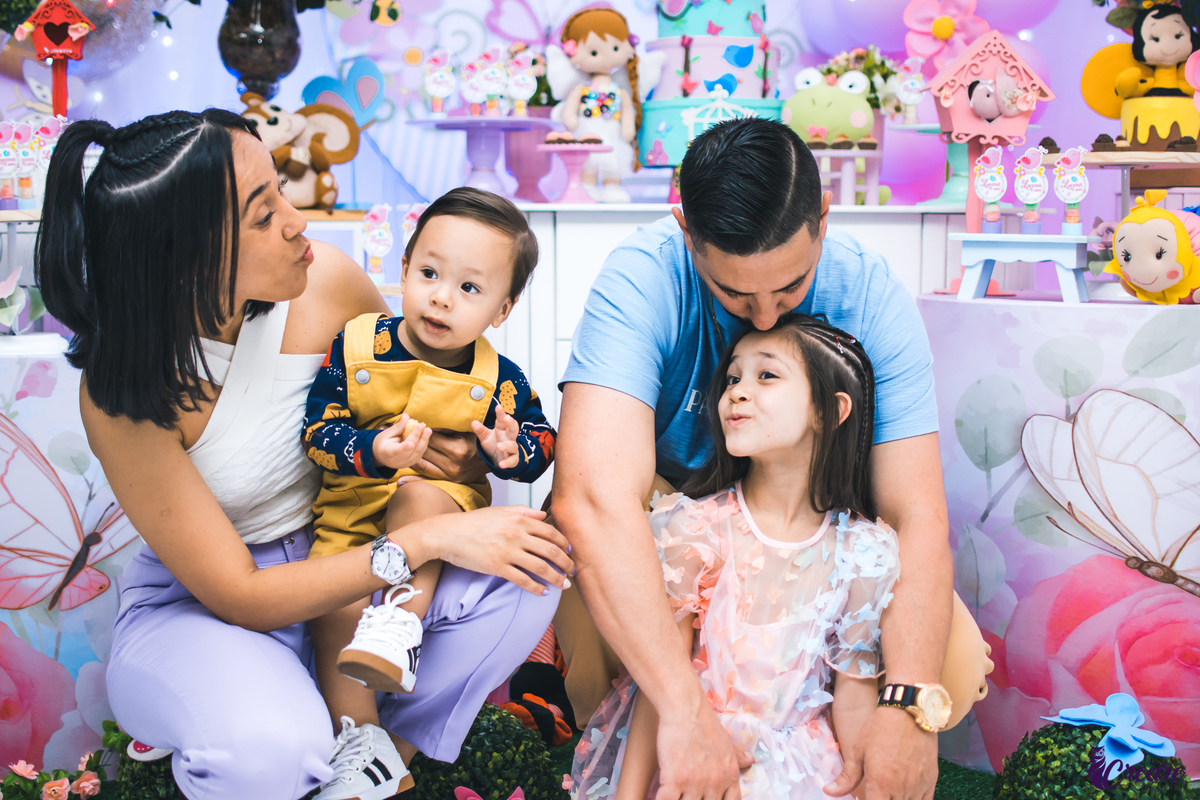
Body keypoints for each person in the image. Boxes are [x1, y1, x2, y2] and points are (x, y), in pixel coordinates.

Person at [34, 110, 572, 800]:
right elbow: (242, 595)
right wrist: (429, 538)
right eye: (263, 216)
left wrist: (472, 460)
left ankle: (371, 750)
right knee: (268, 756)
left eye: (282, 189)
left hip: (347, 555)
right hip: (213, 607)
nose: (297, 223)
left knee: (530, 569)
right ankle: (257, 720)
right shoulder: (125, 393)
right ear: (187, 256)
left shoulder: (329, 282)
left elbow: (409, 407)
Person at [552, 117, 989, 800]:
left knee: (950, 667)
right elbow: (592, 498)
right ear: (686, 232)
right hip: (677, 530)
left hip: (810, 544)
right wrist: (684, 709)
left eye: (789, 290)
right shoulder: (642, 278)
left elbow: (914, 512)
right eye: (734, 294)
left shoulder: (871, 293)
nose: (762, 321)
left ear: (821, 218)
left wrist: (907, 702)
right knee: (605, 648)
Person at [570, 315, 903, 800]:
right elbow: (659, 685)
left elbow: (853, 697)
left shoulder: (862, 552)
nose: (738, 392)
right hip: (701, 754)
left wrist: (865, 782)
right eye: (732, 378)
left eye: (766, 375)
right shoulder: (695, 530)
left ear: (830, 412)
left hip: (803, 769)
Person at [301, 188, 557, 798]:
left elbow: (544, 441)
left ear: (502, 309)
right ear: (404, 270)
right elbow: (316, 430)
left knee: (420, 495)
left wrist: (507, 452)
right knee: (336, 601)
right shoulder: (357, 344)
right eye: (430, 273)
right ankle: (358, 744)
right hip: (351, 513)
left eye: (470, 289)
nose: (442, 296)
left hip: (438, 507)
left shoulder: (501, 379)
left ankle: (396, 627)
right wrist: (371, 450)